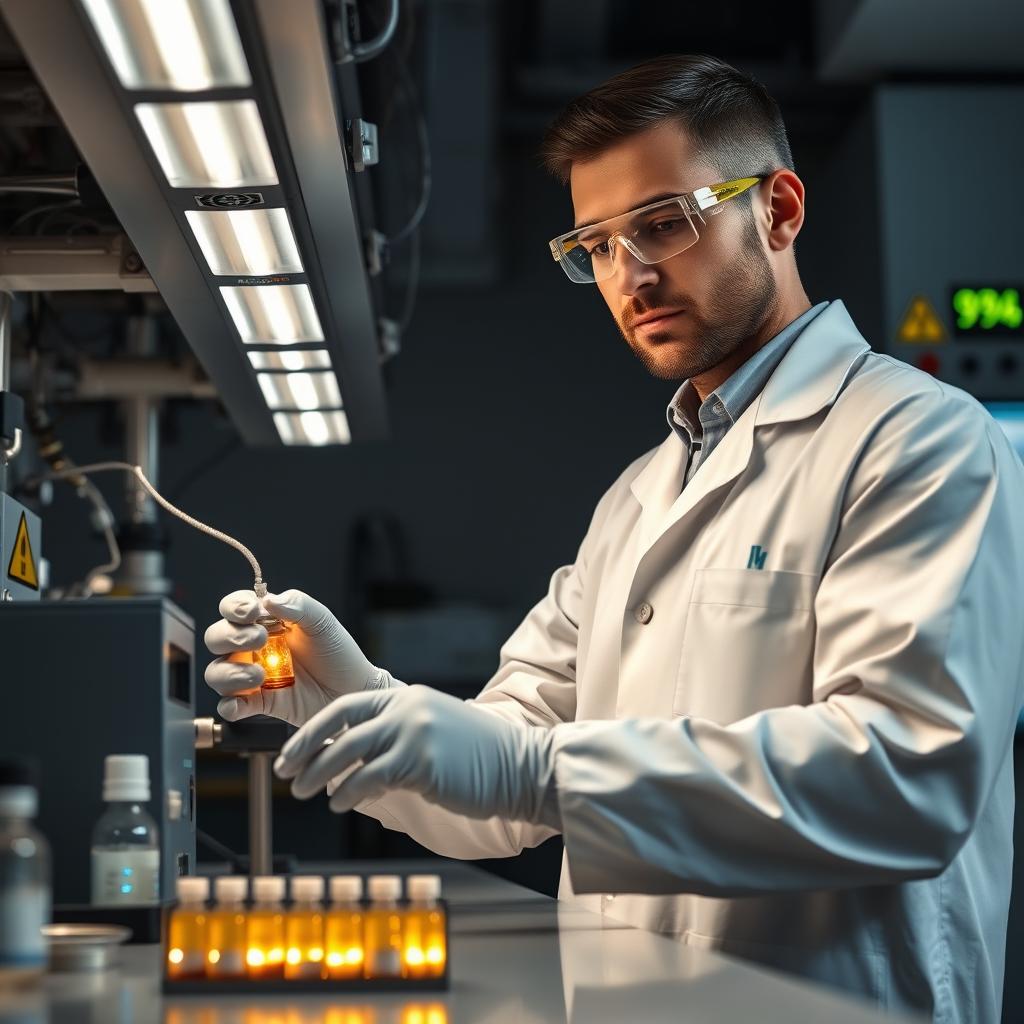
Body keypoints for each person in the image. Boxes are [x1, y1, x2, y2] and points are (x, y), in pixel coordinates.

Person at [204, 54, 1024, 1022]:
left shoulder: (915, 438)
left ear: (779, 209)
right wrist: (361, 710)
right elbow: (504, 784)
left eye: (662, 223)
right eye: (593, 244)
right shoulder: (635, 498)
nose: (628, 273)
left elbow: (901, 776)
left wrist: (537, 770)